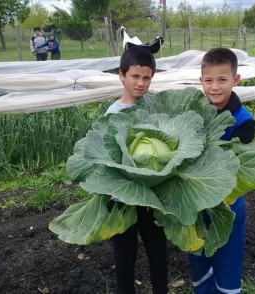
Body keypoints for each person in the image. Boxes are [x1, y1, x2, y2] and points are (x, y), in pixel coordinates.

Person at [189, 47, 255, 294]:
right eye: (208, 81)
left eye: (222, 80)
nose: (214, 87)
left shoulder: (244, 121)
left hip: (226, 204)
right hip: (194, 201)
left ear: (235, 80)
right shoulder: (195, 111)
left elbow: (238, 171)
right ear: (201, 81)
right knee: (198, 256)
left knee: (226, 261)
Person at [105, 46, 169, 294]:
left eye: (147, 78)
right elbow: (106, 157)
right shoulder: (112, 113)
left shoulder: (156, 107)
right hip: (123, 198)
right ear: (122, 75)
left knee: (158, 255)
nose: (141, 83)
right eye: (135, 76)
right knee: (124, 257)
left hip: (154, 197)